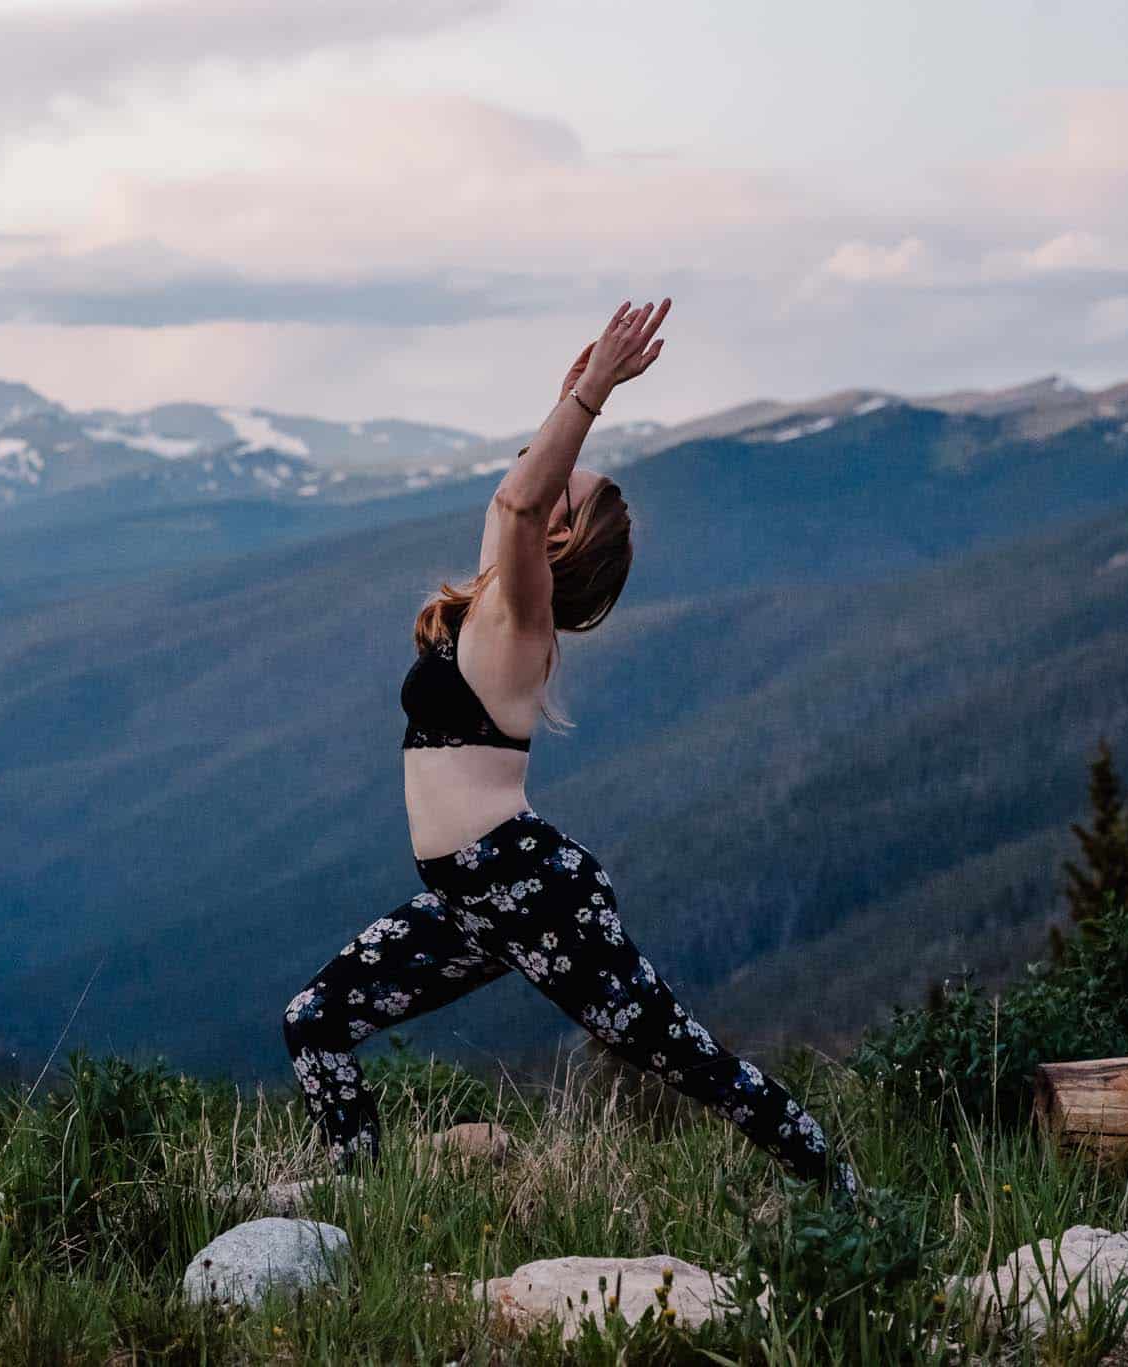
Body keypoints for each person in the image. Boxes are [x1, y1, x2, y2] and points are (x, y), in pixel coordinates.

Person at [281, 299, 858, 1201]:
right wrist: (567, 397)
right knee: (315, 1021)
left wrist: (591, 394)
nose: (542, 478)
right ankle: (356, 1199)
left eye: (562, 490)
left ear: (558, 536)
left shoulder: (522, 617)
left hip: (527, 884)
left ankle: (835, 1180)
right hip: (471, 893)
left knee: (678, 1053)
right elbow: (516, 487)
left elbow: (517, 499)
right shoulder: (490, 598)